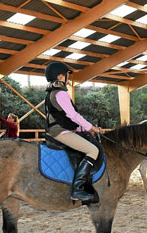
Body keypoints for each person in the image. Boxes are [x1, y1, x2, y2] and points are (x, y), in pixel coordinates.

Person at [44, 61, 103, 203]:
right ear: (60, 76)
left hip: (58, 129)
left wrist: (83, 129)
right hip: (60, 132)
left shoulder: (52, 92)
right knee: (93, 150)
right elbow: (73, 116)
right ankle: (77, 189)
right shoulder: (61, 93)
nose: (68, 78)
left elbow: (65, 118)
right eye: (66, 75)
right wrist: (91, 127)